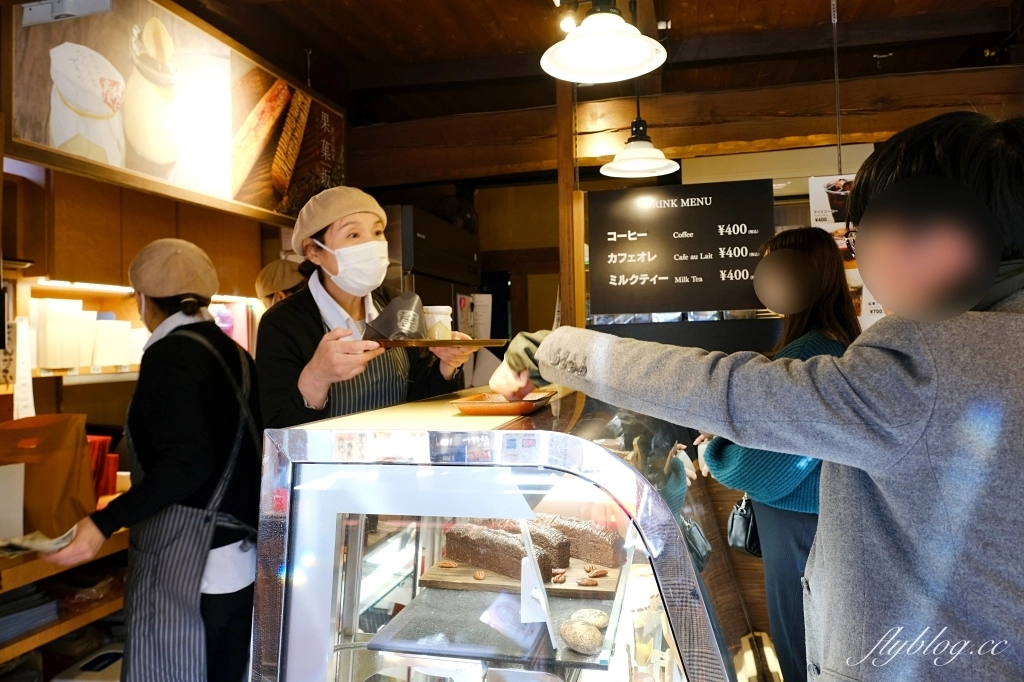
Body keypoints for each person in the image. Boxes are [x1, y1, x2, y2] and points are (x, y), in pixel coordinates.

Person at [492, 113, 1024, 680]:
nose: (861, 254)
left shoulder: (933, 356)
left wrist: (549, 349)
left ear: (938, 236)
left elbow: (732, 393)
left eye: (861, 232)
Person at [47, 239, 262, 682]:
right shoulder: (235, 354)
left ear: (142, 300)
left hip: (192, 571)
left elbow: (188, 463)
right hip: (240, 567)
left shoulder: (170, 355)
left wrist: (104, 521)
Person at [701, 227, 861, 682]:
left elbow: (763, 467)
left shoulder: (808, 354)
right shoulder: (836, 344)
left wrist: (716, 446)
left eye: (777, 266)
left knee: (801, 642)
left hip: (799, 527)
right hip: (822, 519)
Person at [257, 186, 476, 428]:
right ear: (313, 251)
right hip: (329, 465)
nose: (371, 244)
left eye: (377, 232)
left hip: (400, 460)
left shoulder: (399, 305)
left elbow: (424, 400)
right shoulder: (282, 324)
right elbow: (278, 431)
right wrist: (316, 376)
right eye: (353, 235)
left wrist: (447, 366)